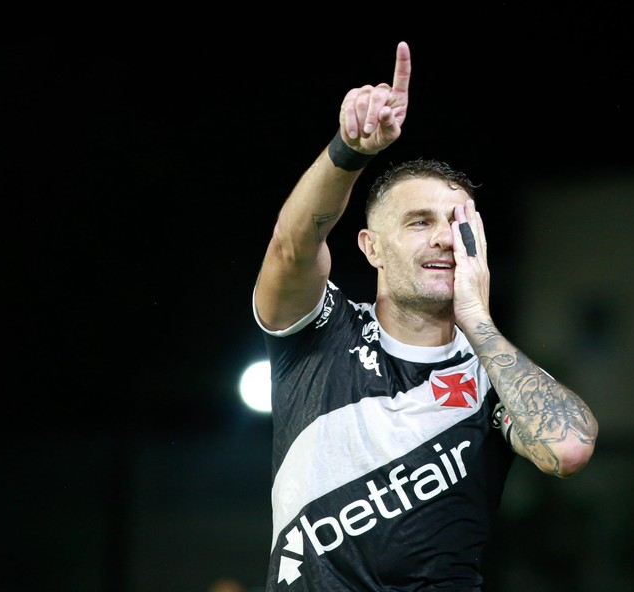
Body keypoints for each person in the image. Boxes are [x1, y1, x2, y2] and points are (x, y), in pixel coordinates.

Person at [252, 40, 598, 592]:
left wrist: (477, 320)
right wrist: (348, 151)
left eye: (457, 225)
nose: (443, 238)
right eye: (419, 222)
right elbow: (292, 247)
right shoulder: (322, 331)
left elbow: (569, 449)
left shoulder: (492, 374)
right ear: (371, 247)